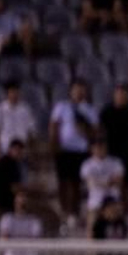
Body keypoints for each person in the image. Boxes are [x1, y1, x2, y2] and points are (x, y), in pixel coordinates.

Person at [49, 79, 98, 219]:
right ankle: (63, 211)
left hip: (81, 151)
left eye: (81, 90)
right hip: (64, 150)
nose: (79, 92)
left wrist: (85, 131)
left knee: (76, 183)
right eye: (76, 89)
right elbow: (54, 126)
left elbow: (95, 132)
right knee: (64, 182)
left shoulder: (90, 109)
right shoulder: (62, 107)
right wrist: (54, 145)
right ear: (71, 91)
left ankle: (74, 213)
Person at [99, 82, 128, 194]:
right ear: (114, 95)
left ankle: (126, 204)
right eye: (119, 93)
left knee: (126, 184)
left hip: (127, 152)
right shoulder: (106, 112)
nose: (121, 96)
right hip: (110, 151)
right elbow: (100, 132)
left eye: (124, 94)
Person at [79, 137, 125, 223]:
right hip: (96, 198)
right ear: (92, 148)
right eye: (97, 147)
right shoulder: (87, 164)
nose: (99, 149)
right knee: (92, 218)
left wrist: (99, 182)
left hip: (112, 197)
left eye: (102, 146)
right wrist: (108, 181)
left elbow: (118, 181)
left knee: (114, 210)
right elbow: (90, 183)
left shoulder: (115, 162)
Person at [0, 137, 26, 223]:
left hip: (6, 204)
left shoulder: (14, 164)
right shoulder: (6, 164)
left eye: (20, 151)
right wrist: (33, 190)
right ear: (10, 149)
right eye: (16, 150)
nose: (19, 153)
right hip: (0, 205)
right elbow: (14, 187)